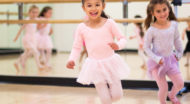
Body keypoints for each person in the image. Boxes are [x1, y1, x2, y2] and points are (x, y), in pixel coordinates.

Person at [66, 0, 130, 103]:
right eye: (89, 5)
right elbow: (76, 47)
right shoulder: (81, 28)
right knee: (105, 99)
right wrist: (71, 59)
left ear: (103, 6)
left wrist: (118, 45)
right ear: (84, 8)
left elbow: (122, 38)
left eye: (97, 5)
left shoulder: (109, 23)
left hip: (111, 63)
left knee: (118, 95)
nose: (93, 8)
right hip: (94, 65)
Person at [144, 0, 184, 104]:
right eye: (158, 11)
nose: (162, 13)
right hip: (157, 63)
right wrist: (157, 58)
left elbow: (177, 40)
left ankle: (172, 95)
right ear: (152, 13)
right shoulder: (151, 30)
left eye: (164, 9)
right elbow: (146, 48)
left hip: (170, 60)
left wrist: (179, 54)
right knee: (163, 87)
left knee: (180, 83)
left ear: (169, 9)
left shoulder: (174, 25)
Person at [13, 5, 43, 75]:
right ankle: (39, 65)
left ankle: (16, 62)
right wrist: (16, 37)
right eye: (33, 12)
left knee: (27, 53)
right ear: (29, 13)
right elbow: (21, 29)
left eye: (36, 12)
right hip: (27, 38)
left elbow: (40, 25)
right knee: (35, 52)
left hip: (33, 38)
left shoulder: (37, 19)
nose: (34, 14)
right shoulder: (27, 19)